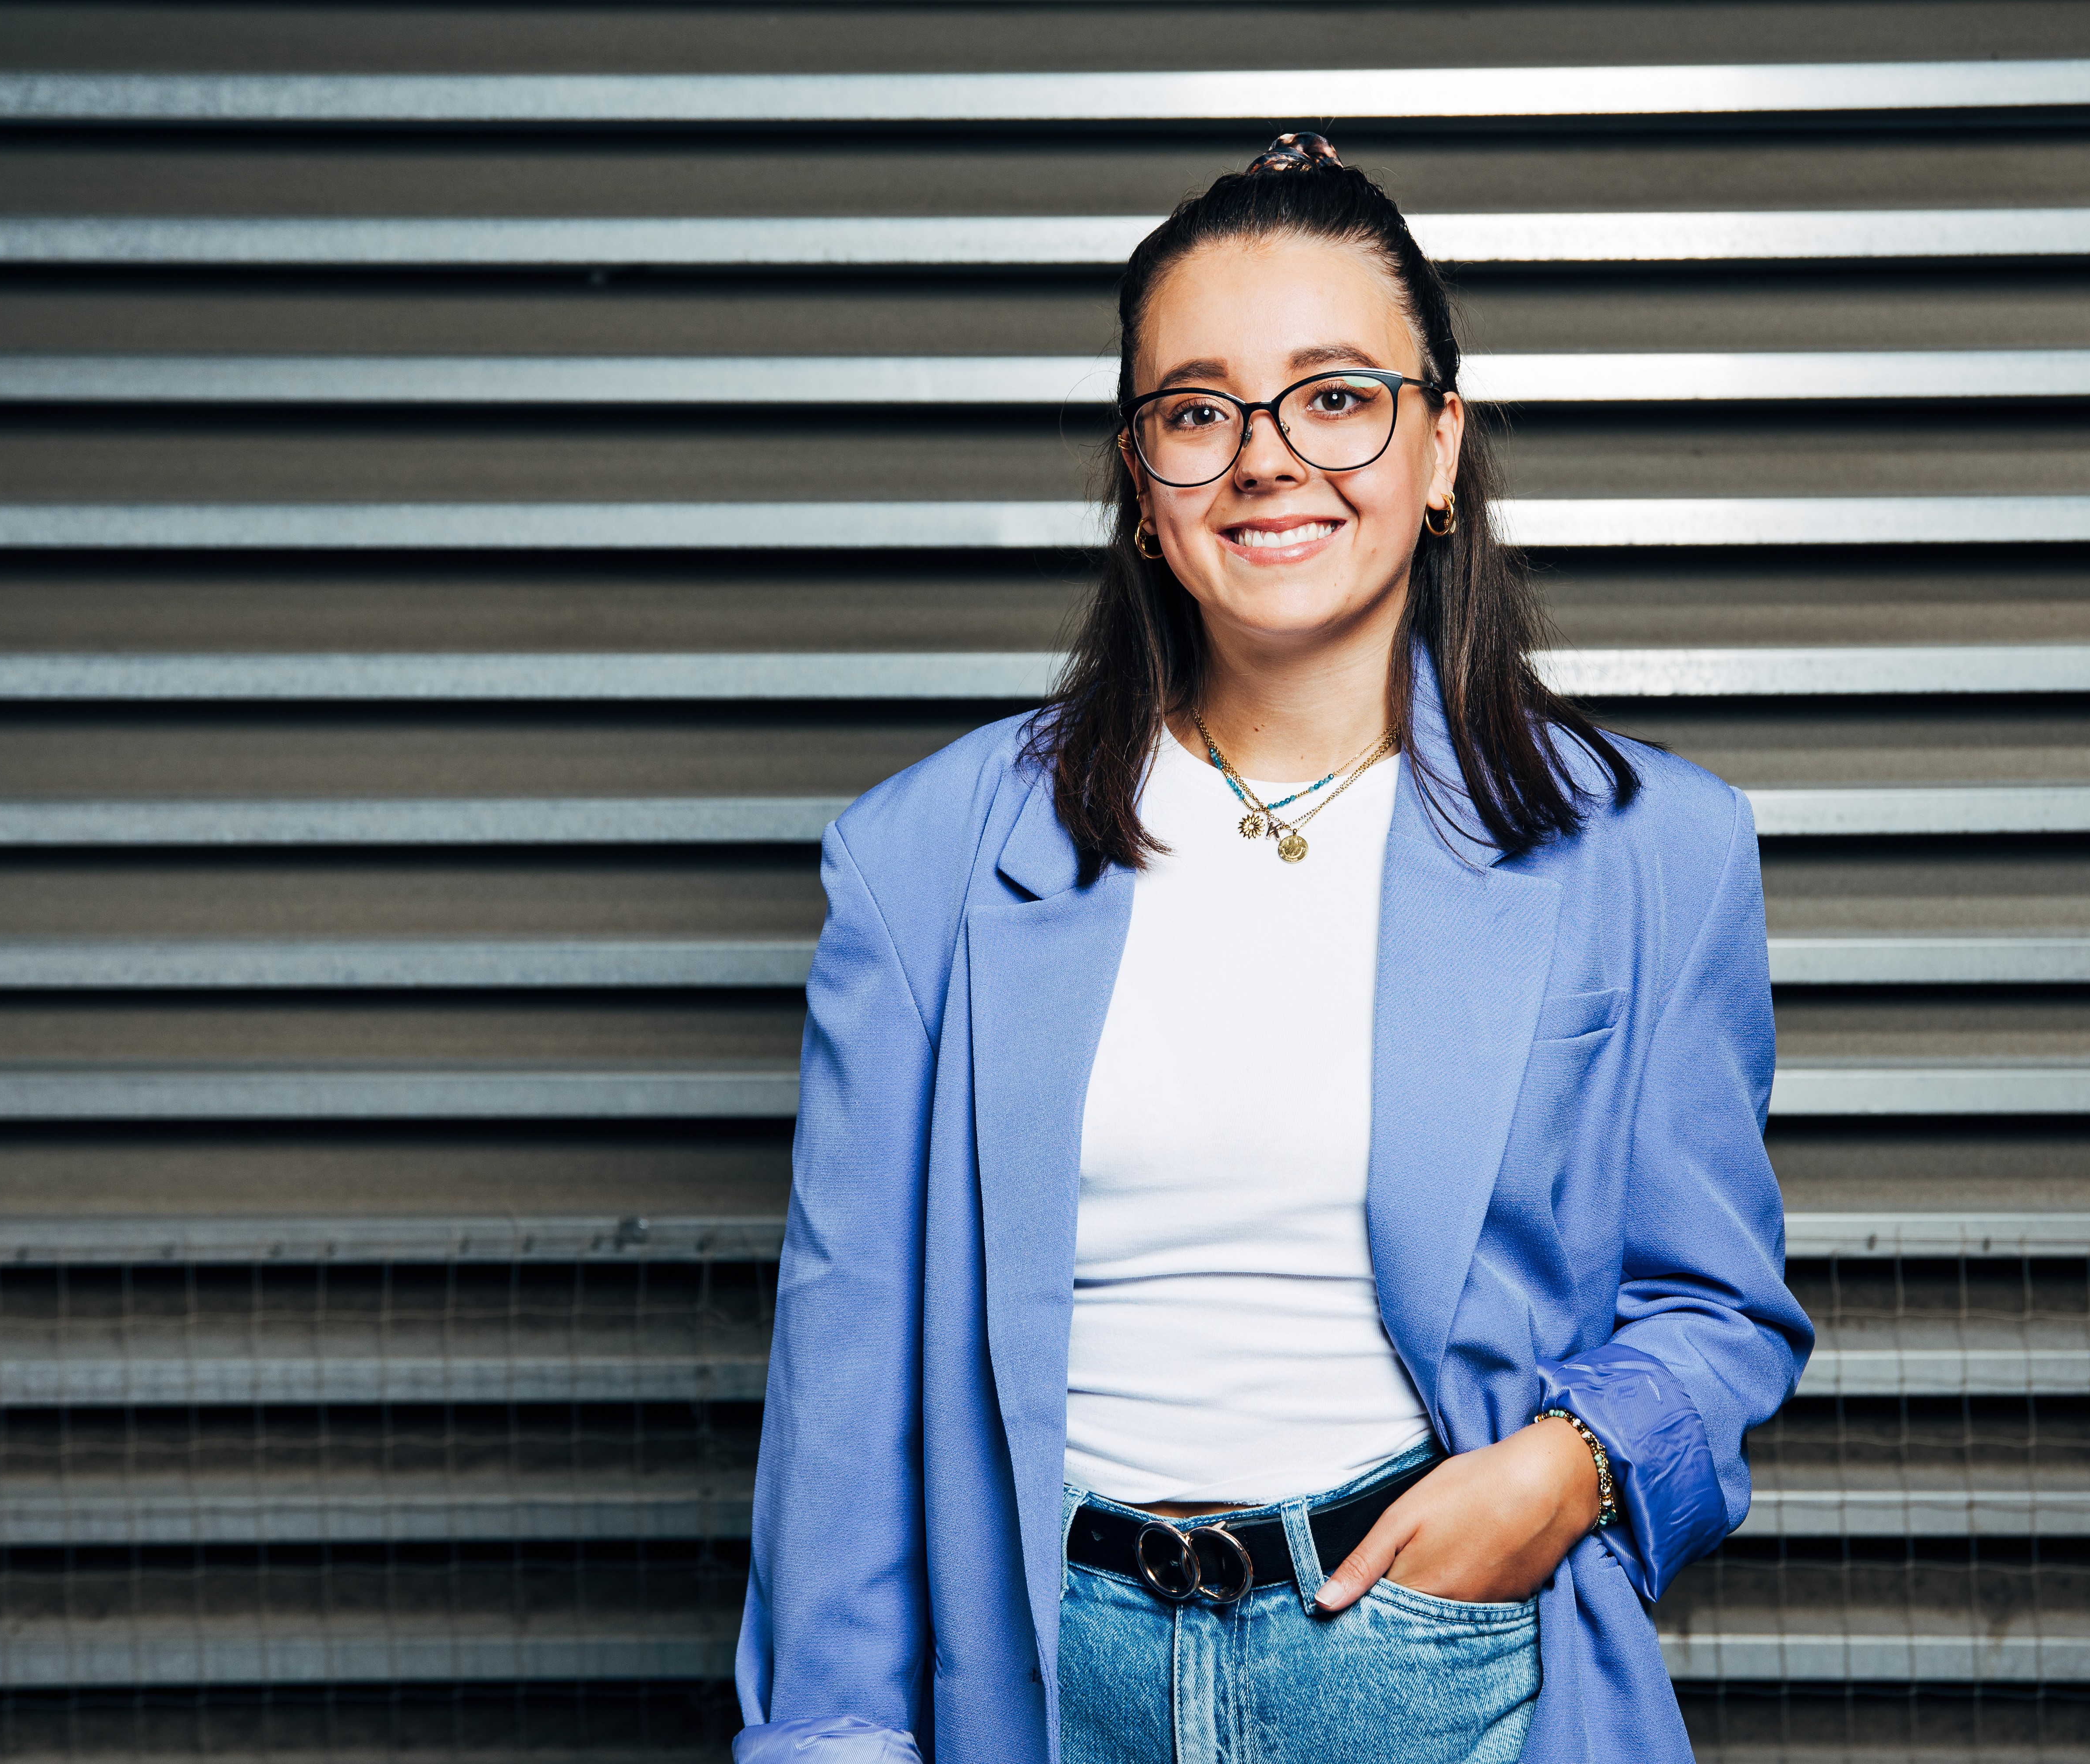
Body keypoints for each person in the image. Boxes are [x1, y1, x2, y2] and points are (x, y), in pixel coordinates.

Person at [733, 132, 1814, 1764]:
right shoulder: (923, 861)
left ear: (1440, 445)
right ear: (1142, 480)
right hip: (1046, 1684)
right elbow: (844, 1383)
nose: (1266, 457)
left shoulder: (1648, 852)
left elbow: (1719, 1309)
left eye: (1336, 394)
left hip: (1445, 1664)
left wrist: (1566, 1472)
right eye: (1197, 410)